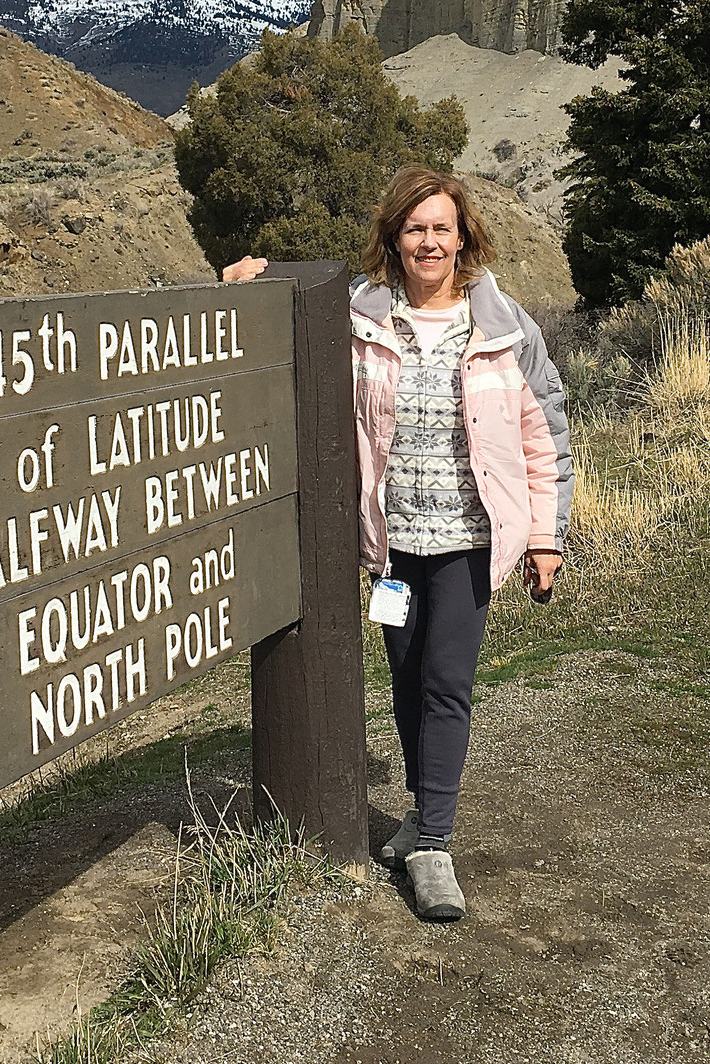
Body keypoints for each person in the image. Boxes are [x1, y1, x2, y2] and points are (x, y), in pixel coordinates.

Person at [224, 166, 572, 921]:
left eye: (442, 228)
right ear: (394, 237)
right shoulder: (361, 319)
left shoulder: (504, 323)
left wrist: (546, 535)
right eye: (415, 228)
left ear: (463, 237)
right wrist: (247, 286)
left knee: (447, 683)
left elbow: (544, 431)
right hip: (391, 544)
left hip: (470, 539)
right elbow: (287, 348)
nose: (429, 241)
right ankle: (420, 814)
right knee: (408, 683)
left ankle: (435, 844)